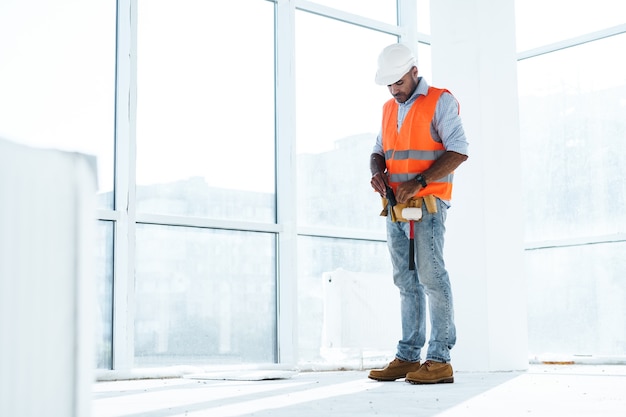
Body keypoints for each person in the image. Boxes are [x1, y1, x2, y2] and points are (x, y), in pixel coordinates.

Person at [368, 43, 469, 384]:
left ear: (414, 72)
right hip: (396, 206)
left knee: (432, 277)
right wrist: (377, 172)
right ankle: (408, 355)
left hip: (428, 204)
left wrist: (420, 181)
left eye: (398, 82)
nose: (394, 90)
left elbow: (459, 150)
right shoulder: (388, 108)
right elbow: (378, 151)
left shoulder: (439, 101)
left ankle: (439, 359)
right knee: (405, 281)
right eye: (389, 85)